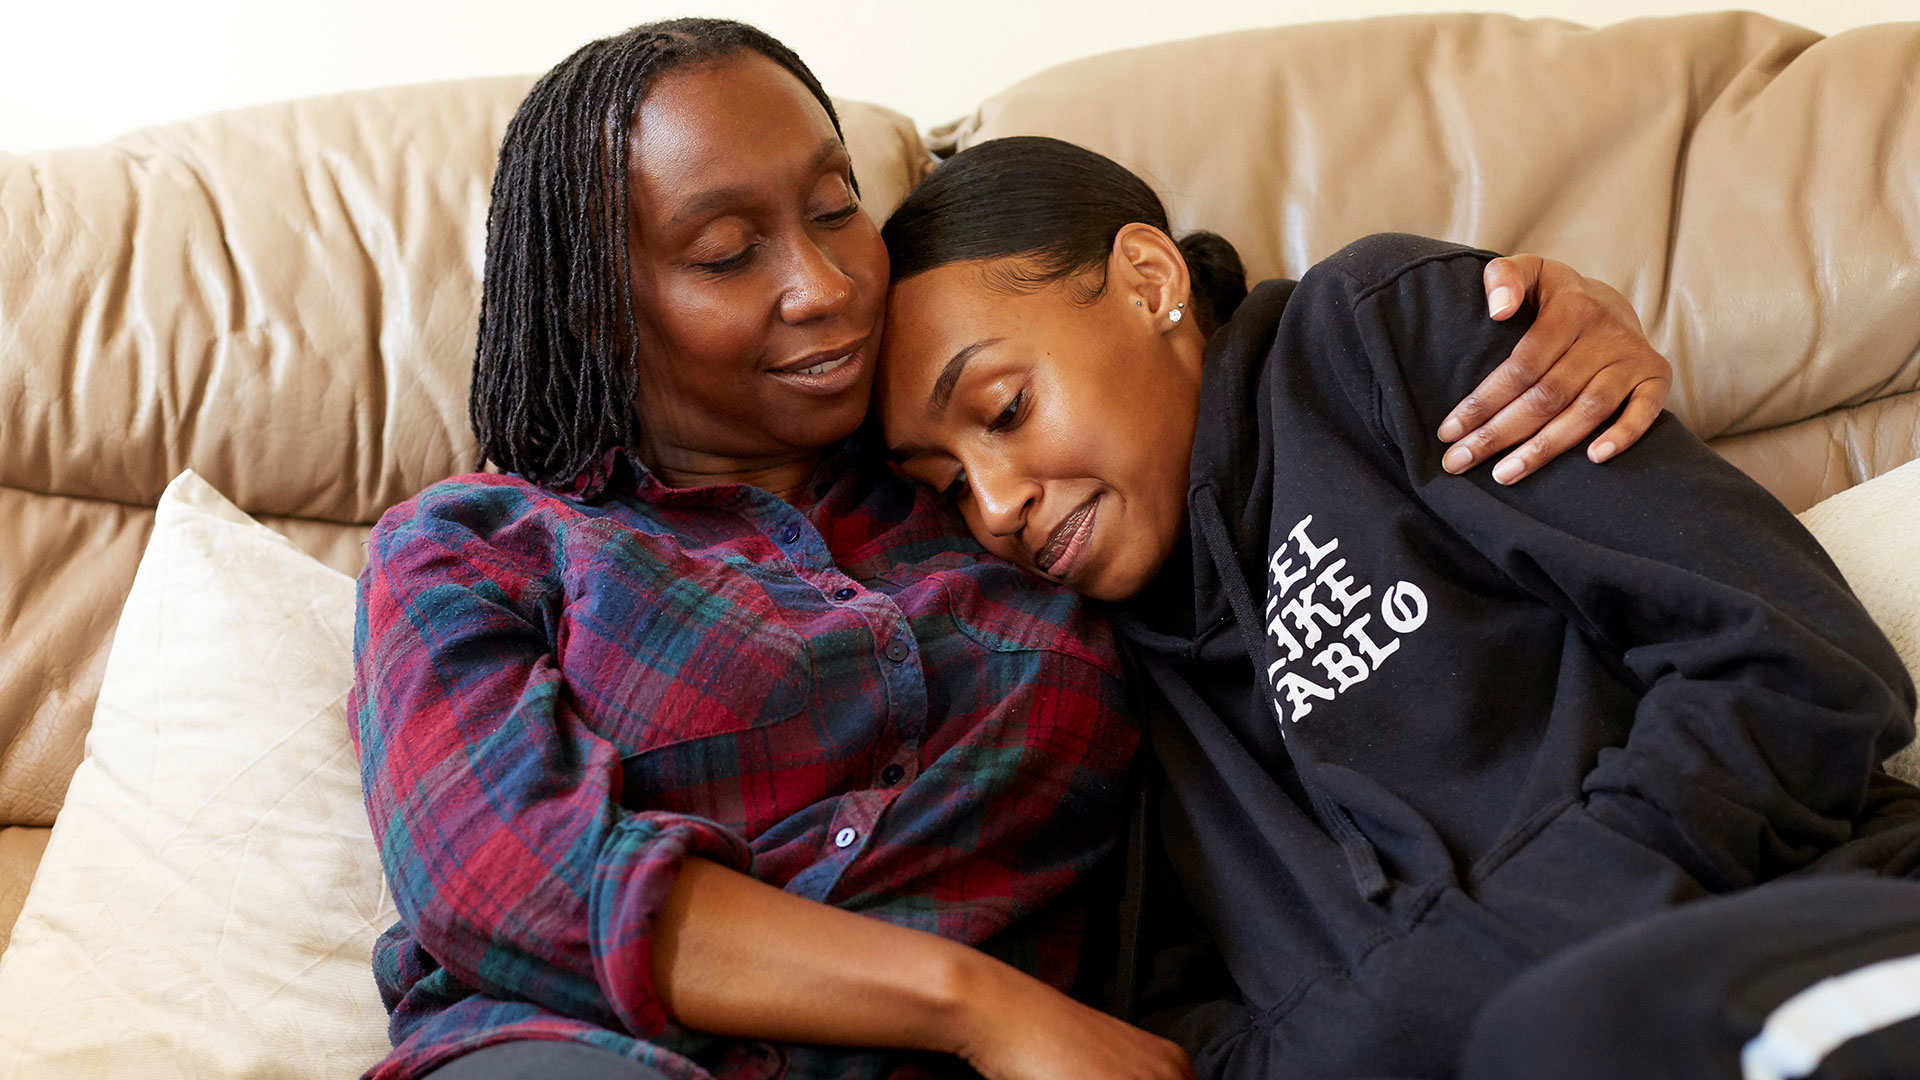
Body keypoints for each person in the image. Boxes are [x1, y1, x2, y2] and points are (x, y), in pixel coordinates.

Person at [348, 20, 1678, 1080]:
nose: (820, 285)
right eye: (727, 250)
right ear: (598, 297)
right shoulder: (482, 542)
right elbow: (501, 878)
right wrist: (979, 1007)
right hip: (590, 1055)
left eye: (831, 209)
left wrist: (1517, 316)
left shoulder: (1001, 489)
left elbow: (1235, 389)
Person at [874, 135, 1920, 1080]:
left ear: (1149, 281)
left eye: (1004, 410)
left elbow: (1801, 673)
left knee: (1568, 1030)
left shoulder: (1376, 339)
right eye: (948, 486)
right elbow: (1168, 1033)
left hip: (1801, 941)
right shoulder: (1078, 672)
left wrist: (1448, 997)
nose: (997, 504)